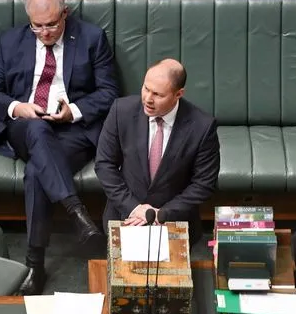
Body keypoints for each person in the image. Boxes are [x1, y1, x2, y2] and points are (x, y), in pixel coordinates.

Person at [0, 0, 118, 295]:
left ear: (65, 14)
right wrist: (19, 107)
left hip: (73, 131)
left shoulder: (92, 38)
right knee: (36, 128)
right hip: (25, 127)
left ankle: (34, 263)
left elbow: (109, 93)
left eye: (52, 25)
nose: (44, 33)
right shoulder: (9, 41)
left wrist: (73, 111)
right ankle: (77, 212)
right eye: (37, 26)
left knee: (35, 172)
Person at [94, 59, 220, 244]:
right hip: (125, 215)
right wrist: (134, 208)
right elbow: (105, 165)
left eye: (158, 94)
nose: (147, 99)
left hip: (174, 221)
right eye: (146, 88)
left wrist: (162, 214)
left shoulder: (202, 126)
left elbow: (204, 183)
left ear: (178, 94)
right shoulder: (121, 111)